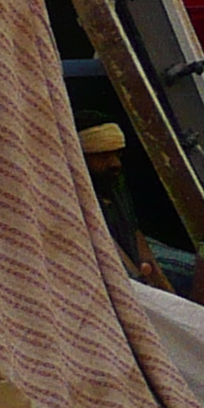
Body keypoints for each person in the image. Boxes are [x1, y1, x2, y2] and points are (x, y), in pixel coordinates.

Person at [78, 122, 164, 286]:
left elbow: (135, 234)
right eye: (103, 157)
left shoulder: (115, 189)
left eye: (117, 155)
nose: (115, 164)